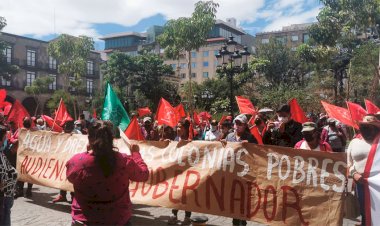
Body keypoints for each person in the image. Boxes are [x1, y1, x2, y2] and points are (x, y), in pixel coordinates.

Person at [66, 120, 149, 225]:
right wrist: (136, 154)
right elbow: (144, 175)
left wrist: (86, 153)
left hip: (85, 221)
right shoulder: (124, 161)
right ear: (112, 140)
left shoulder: (77, 162)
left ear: (89, 139)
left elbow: (70, 178)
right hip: (118, 220)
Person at [347, 114, 380, 226]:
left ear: (376, 127)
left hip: (378, 185)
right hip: (361, 184)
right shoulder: (354, 142)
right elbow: (349, 163)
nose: (366, 129)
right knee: (364, 212)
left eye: (370, 126)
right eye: (364, 126)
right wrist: (354, 173)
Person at [226, 114, 257, 226]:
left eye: (240, 124)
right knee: (233, 199)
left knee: (242, 200)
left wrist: (250, 146)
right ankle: (235, 222)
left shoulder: (250, 137)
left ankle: (243, 222)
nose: (237, 126)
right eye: (236, 123)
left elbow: (258, 154)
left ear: (244, 125)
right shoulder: (229, 136)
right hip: (232, 172)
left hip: (244, 174)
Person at [169, 118, 192, 225]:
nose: (178, 129)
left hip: (189, 172)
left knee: (187, 194)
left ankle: (187, 217)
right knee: (176, 193)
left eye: (180, 127)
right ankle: (174, 214)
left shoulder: (193, 140)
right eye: (177, 127)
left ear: (186, 129)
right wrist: (167, 145)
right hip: (177, 172)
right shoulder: (175, 139)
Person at [0, 125, 18, 226]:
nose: (6, 140)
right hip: (3, 196)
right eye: (4, 138)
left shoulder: (2, 152)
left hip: (7, 195)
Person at [15, 117, 35, 198]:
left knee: (30, 173)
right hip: (22, 156)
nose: (27, 122)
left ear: (31, 122)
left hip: (31, 156)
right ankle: (20, 190)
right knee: (21, 172)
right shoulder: (20, 130)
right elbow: (13, 138)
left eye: (28, 121)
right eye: (25, 121)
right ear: (23, 122)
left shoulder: (35, 132)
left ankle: (29, 190)